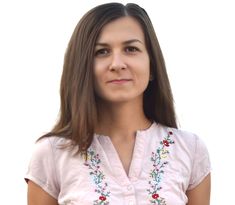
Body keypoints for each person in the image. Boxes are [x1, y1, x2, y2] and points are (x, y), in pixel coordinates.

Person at [25, 2, 211, 205]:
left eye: (131, 49)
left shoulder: (189, 150)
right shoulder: (52, 154)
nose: (117, 64)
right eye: (102, 52)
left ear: (152, 65)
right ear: (82, 67)